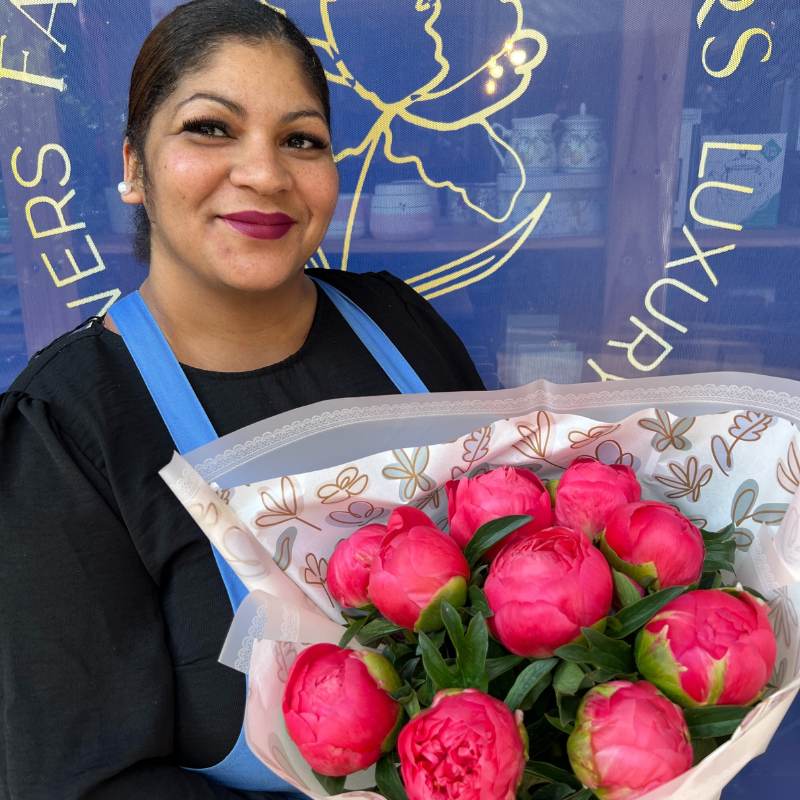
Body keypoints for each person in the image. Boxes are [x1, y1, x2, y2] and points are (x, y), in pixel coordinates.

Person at [0, 1, 483, 798]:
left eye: (301, 139)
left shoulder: (401, 327)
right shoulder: (67, 429)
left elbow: (514, 554)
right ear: (132, 166)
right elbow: (85, 781)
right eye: (210, 128)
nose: (265, 172)